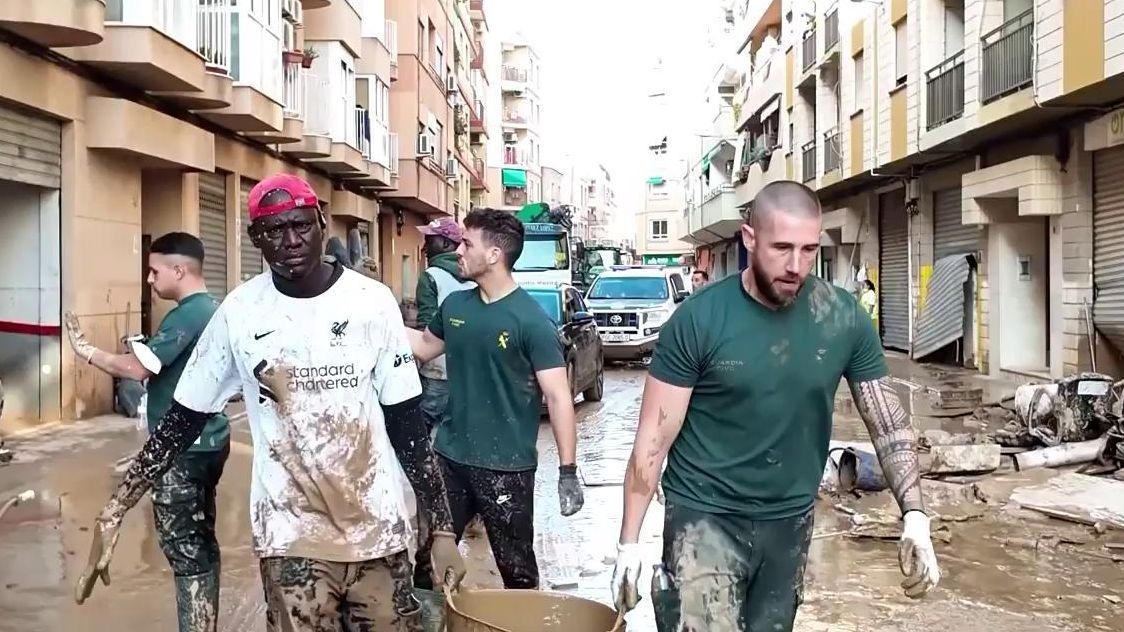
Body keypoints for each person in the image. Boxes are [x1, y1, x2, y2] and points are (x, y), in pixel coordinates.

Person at [74, 173, 465, 632]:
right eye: (274, 231)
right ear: (256, 238)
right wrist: (116, 506)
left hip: (377, 533)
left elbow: (407, 426)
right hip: (289, 539)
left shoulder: (371, 304)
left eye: (301, 225)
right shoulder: (240, 314)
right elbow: (180, 422)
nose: (291, 240)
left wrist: (439, 528)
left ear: (321, 223)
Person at [611, 181, 940, 631]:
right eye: (781, 247)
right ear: (749, 239)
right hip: (705, 515)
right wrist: (629, 543)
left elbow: (888, 424)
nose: (795, 265)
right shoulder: (700, 319)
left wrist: (916, 516)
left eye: (808, 250)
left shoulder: (841, 317)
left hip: (789, 520)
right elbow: (652, 441)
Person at [407, 207, 584, 591]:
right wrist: (372, 316)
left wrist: (567, 472)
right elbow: (421, 347)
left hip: (507, 468)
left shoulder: (532, 321)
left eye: (467, 244)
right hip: (450, 458)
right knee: (426, 565)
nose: (458, 251)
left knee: (517, 573)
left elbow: (558, 397)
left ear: (494, 255)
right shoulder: (455, 307)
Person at [64, 232, 230, 632]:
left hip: (182, 450)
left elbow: (140, 368)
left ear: (179, 269)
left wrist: (85, 349)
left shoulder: (190, 314)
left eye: (155, 272)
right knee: (201, 546)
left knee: (185, 550)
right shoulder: (214, 309)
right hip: (209, 442)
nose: (151, 281)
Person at [413, 218, 476, 434]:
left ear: (448, 244)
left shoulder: (430, 276)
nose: (424, 247)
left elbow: (426, 325)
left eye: (431, 240)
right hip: (469, 372)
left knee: (421, 429)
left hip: (437, 370)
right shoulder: (476, 276)